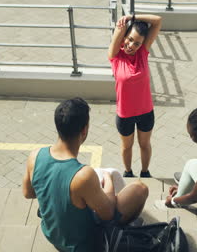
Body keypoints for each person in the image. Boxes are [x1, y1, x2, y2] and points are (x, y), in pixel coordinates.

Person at [22, 98, 149, 251]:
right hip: (83, 245)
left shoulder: (35, 156)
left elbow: (28, 193)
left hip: (54, 236)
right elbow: (107, 213)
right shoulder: (83, 175)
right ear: (84, 130)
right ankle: (111, 236)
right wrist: (108, 180)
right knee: (140, 189)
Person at [108, 13, 162, 178]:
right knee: (127, 147)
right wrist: (125, 21)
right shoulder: (116, 57)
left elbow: (158, 21)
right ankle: (128, 172)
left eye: (137, 43)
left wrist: (134, 15)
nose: (131, 45)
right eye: (129, 39)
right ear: (124, 36)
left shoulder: (143, 53)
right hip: (125, 114)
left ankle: (145, 173)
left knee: (144, 145)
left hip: (146, 112)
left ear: (142, 44)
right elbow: (118, 32)